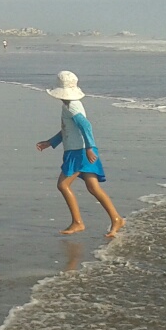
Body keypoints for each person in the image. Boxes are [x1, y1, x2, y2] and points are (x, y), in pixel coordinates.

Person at [36, 71, 123, 237]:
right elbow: (68, 129)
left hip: (80, 152)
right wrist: (51, 142)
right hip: (80, 150)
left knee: (63, 185)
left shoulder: (72, 106)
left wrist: (89, 147)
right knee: (93, 187)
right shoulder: (68, 105)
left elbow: (86, 126)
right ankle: (116, 218)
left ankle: (78, 222)